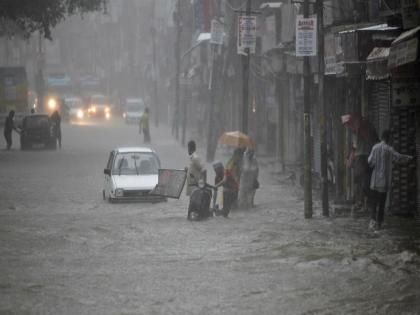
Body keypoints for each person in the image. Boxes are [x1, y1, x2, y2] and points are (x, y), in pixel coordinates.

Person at [368, 130, 413, 230]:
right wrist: (410, 158)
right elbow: (399, 157)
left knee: (374, 203)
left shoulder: (375, 147)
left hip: (374, 181)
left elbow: (369, 161)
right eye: (391, 137)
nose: (392, 139)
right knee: (382, 203)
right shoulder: (389, 149)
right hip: (383, 181)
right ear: (388, 138)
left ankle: (372, 222)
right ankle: (379, 223)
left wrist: (374, 164)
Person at [353, 118, 378, 211]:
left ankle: (362, 203)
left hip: (361, 158)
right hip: (367, 157)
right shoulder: (370, 133)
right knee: (365, 182)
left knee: (361, 182)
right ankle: (364, 204)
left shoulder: (357, 132)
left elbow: (354, 145)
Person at [216, 147, 244, 217]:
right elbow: (225, 179)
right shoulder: (231, 165)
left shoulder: (235, 164)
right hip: (230, 191)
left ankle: (217, 212)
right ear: (236, 155)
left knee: (228, 213)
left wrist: (216, 186)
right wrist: (217, 186)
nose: (241, 157)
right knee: (227, 213)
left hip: (232, 191)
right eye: (240, 155)